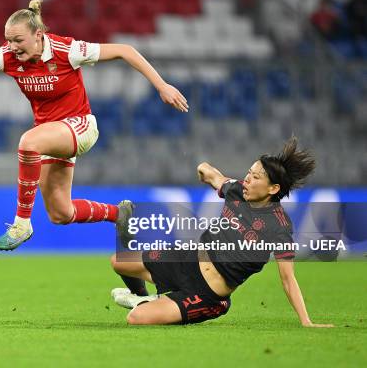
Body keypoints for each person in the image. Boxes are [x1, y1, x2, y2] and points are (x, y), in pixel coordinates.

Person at [0, 0, 189, 251]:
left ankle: (21, 222)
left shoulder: (68, 50)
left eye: (18, 40)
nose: (12, 46)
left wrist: (161, 85)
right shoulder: (6, 57)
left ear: (38, 36)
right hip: (52, 135)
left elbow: (125, 50)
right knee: (60, 212)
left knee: (28, 142)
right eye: (8, 40)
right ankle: (119, 213)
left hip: (80, 126)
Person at [110, 137, 334, 327]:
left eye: (256, 177)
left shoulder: (278, 226)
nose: (248, 178)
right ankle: (143, 297)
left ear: (273, 189)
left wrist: (306, 321)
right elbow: (212, 174)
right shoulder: (236, 190)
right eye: (249, 172)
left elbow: (288, 279)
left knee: (136, 318)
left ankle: (147, 303)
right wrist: (203, 169)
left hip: (206, 294)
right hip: (186, 260)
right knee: (118, 261)